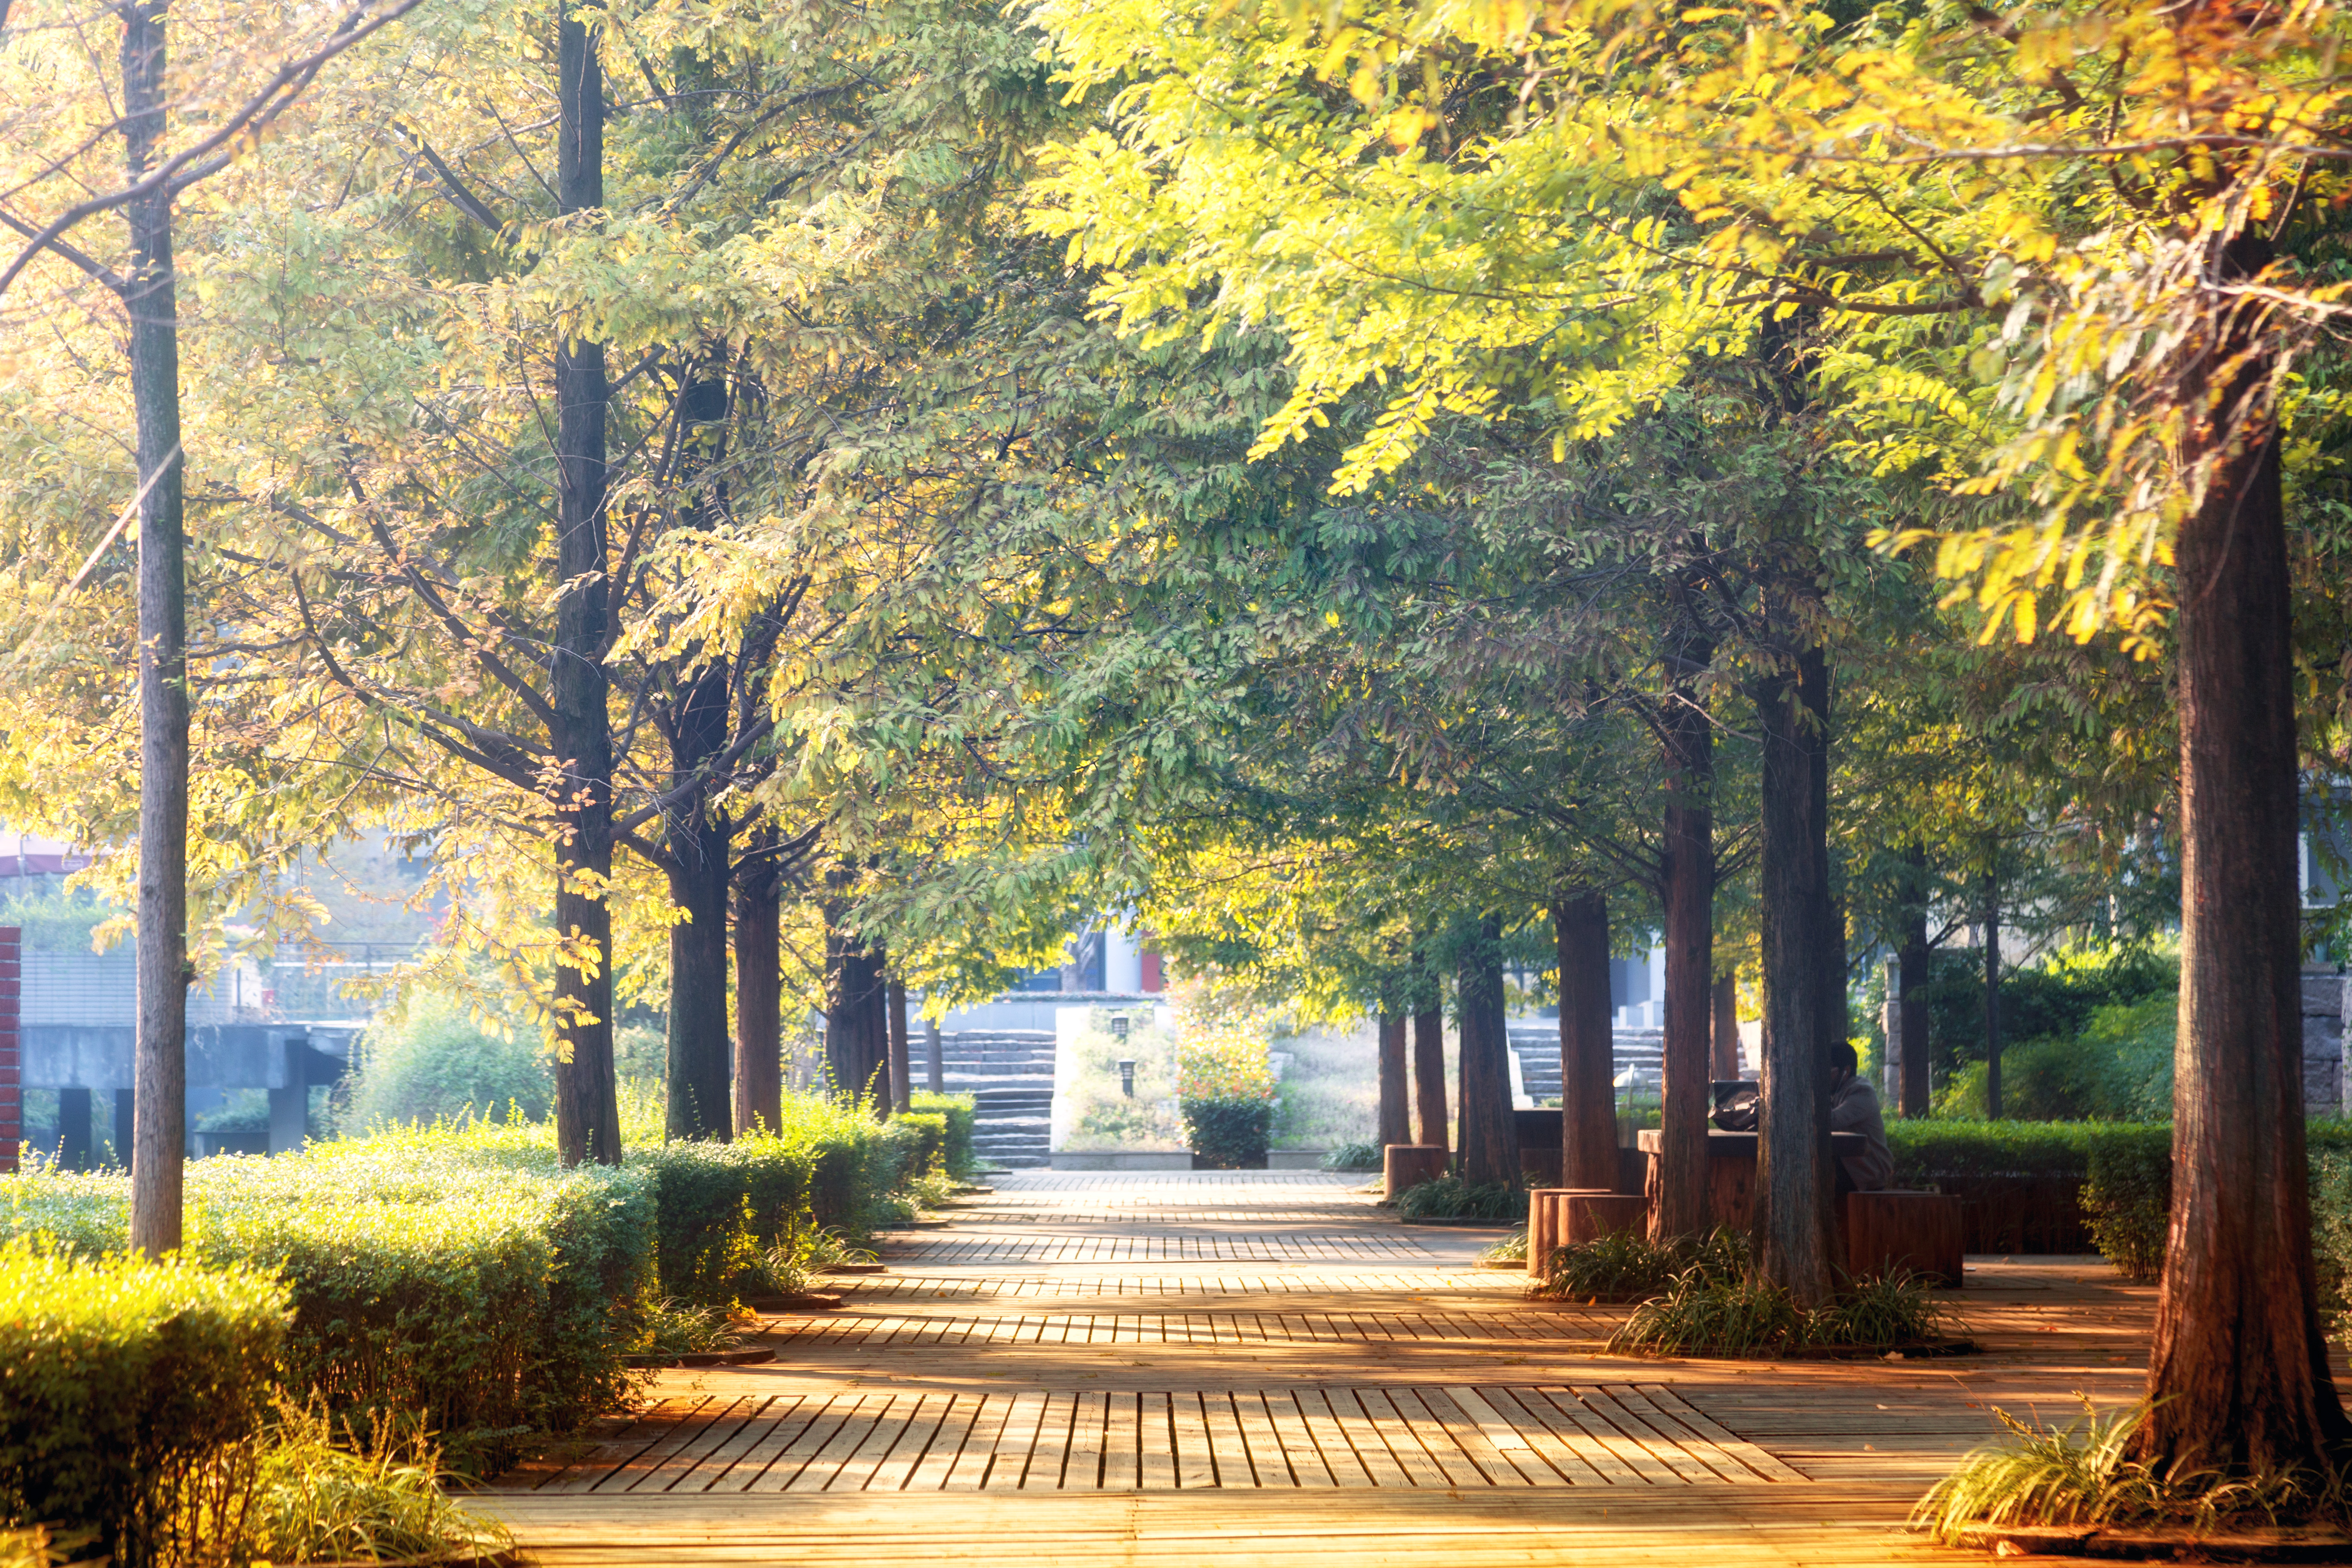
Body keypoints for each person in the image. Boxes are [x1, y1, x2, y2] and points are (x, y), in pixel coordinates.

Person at [1829, 1041, 1893, 1194]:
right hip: (1849, 1171)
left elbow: (1832, 1121)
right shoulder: (1836, 1093)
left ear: (1846, 1071)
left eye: (1829, 1071)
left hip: (1868, 1174)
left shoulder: (1862, 1092)